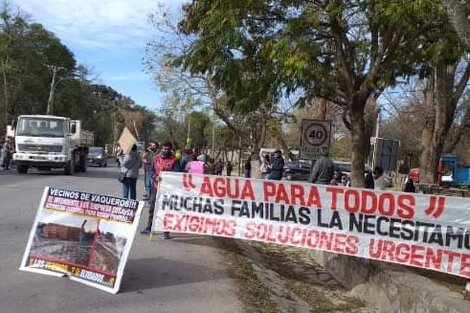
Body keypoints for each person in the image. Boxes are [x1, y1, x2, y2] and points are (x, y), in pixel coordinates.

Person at [141, 142, 178, 238]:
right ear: (161, 148)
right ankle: (149, 227)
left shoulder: (174, 160)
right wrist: (155, 177)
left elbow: (177, 173)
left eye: (167, 149)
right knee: (152, 206)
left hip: (168, 188)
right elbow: (151, 170)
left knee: (166, 208)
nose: (165, 150)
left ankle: (166, 231)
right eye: (164, 148)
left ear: (170, 150)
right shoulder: (156, 158)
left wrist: (167, 177)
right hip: (156, 186)